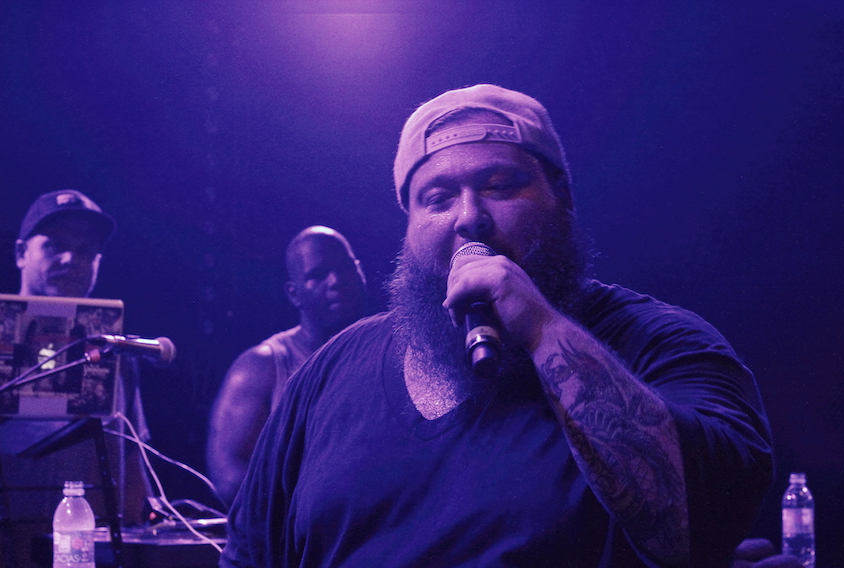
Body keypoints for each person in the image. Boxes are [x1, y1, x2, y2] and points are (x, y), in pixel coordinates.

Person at [222, 85, 774, 568]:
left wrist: (540, 326)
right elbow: (249, 554)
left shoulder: (662, 343)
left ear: (562, 199)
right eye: (437, 198)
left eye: (500, 185)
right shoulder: (329, 375)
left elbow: (699, 531)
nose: (469, 217)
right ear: (410, 225)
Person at [1, 189, 152, 565]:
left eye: (85, 251)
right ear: (20, 253)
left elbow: (132, 456)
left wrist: (137, 534)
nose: (71, 259)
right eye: (54, 246)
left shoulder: (114, 351)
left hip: (93, 549)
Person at [207, 226, 368, 505]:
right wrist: (309, 515)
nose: (335, 281)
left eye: (345, 267)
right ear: (294, 294)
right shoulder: (261, 366)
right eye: (318, 275)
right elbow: (228, 477)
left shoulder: (392, 351)